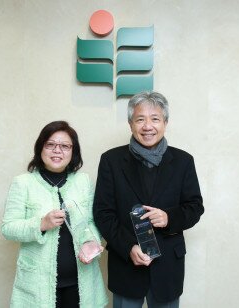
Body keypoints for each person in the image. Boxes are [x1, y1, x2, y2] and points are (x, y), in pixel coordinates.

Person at [93, 91, 204, 308]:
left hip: (168, 268)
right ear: (130, 123)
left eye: (155, 119)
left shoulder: (183, 161)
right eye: (140, 119)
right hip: (126, 265)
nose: (147, 126)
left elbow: (195, 207)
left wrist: (168, 217)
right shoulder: (111, 160)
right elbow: (103, 213)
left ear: (165, 122)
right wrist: (128, 248)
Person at [2, 121, 108, 308]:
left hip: (81, 280)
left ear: (73, 152)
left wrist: (92, 242)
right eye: (50, 145)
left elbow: (93, 221)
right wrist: (41, 224)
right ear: (40, 148)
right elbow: (8, 228)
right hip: (37, 284)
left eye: (65, 146)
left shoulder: (83, 181)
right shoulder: (23, 183)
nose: (57, 150)